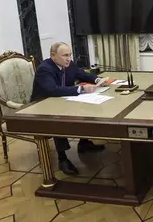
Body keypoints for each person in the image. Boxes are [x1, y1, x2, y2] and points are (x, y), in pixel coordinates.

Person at [31, 42, 109, 175]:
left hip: (62, 100)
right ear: (53, 56)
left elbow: (81, 74)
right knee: (57, 119)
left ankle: (84, 142)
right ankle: (62, 159)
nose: (68, 58)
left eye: (70, 55)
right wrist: (80, 88)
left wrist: (97, 80)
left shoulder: (68, 64)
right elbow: (52, 90)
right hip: (42, 106)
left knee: (89, 108)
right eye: (65, 55)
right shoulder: (45, 68)